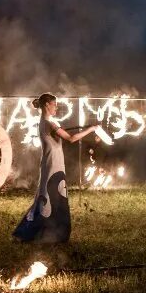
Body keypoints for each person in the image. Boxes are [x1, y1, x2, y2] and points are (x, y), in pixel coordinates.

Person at [13, 93, 98, 243]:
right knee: (49, 197)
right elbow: (71, 139)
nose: (56, 107)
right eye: (54, 104)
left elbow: (58, 137)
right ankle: (34, 232)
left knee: (50, 196)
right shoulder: (49, 123)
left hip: (52, 163)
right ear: (47, 105)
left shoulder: (45, 122)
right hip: (52, 164)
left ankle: (49, 232)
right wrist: (91, 129)